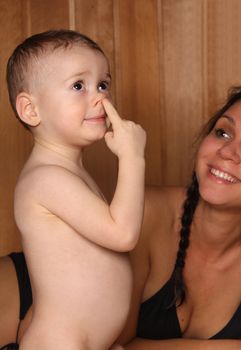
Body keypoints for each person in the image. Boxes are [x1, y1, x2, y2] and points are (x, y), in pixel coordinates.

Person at [0, 85, 241, 350]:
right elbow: (111, 344)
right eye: (223, 133)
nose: (227, 152)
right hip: (20, 304)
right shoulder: (147, 214)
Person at [4, 29, 146, 350]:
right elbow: (123, 234)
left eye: (103, 84)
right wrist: (133, 157)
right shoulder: (46, 178)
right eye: (78, 86)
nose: (100, 97)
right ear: (31, 110)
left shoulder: (71, 171)